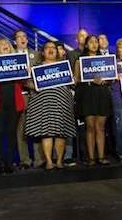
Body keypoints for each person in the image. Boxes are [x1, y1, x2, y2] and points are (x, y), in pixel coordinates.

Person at [25, 41, 77, 169]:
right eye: (47, 48)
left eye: (53, 48)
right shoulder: (36, 67)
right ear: (43, 52)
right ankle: (49, 161)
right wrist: (35, 85)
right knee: (47, 132)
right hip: (43, 103)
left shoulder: (64, 66)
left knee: (61, 132)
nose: (50, 50)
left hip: (62, 102)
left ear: (57, 51)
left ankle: (59, 161)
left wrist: (75, 78)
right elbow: (27, 83)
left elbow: (73, 82)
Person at [0, 38, 26, 174]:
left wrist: (26, 71)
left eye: (7, 44)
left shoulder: (17, 60)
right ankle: (0, 163)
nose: (5, 45)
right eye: (2, 44)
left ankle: (9, 162)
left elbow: (23, 81)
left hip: (14, 102)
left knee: (12, 133)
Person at [74, 35, 113, 165]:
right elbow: (76, 80)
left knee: (100, 127)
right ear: (86, 45)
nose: (94, 44)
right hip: (87, 94)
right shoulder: (80, 60)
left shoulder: (105, 60)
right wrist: (87, 78)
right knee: (90, 127)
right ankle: (91, 158)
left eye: (96, 42)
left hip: (102, 94)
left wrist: (106, 80)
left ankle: (101, 157)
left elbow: (110, 78)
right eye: (91, 42)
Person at [13, 29, 38, 169]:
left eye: (24, 37)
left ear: (28, 40)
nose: (22, 39)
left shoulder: (36, 55)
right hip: (19, 95)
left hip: (35, 95)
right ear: (15, 41)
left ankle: (39, 159)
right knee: (20, 129)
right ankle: (25, 160)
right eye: (19, 37)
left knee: (37, 127)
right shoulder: (10, 56)